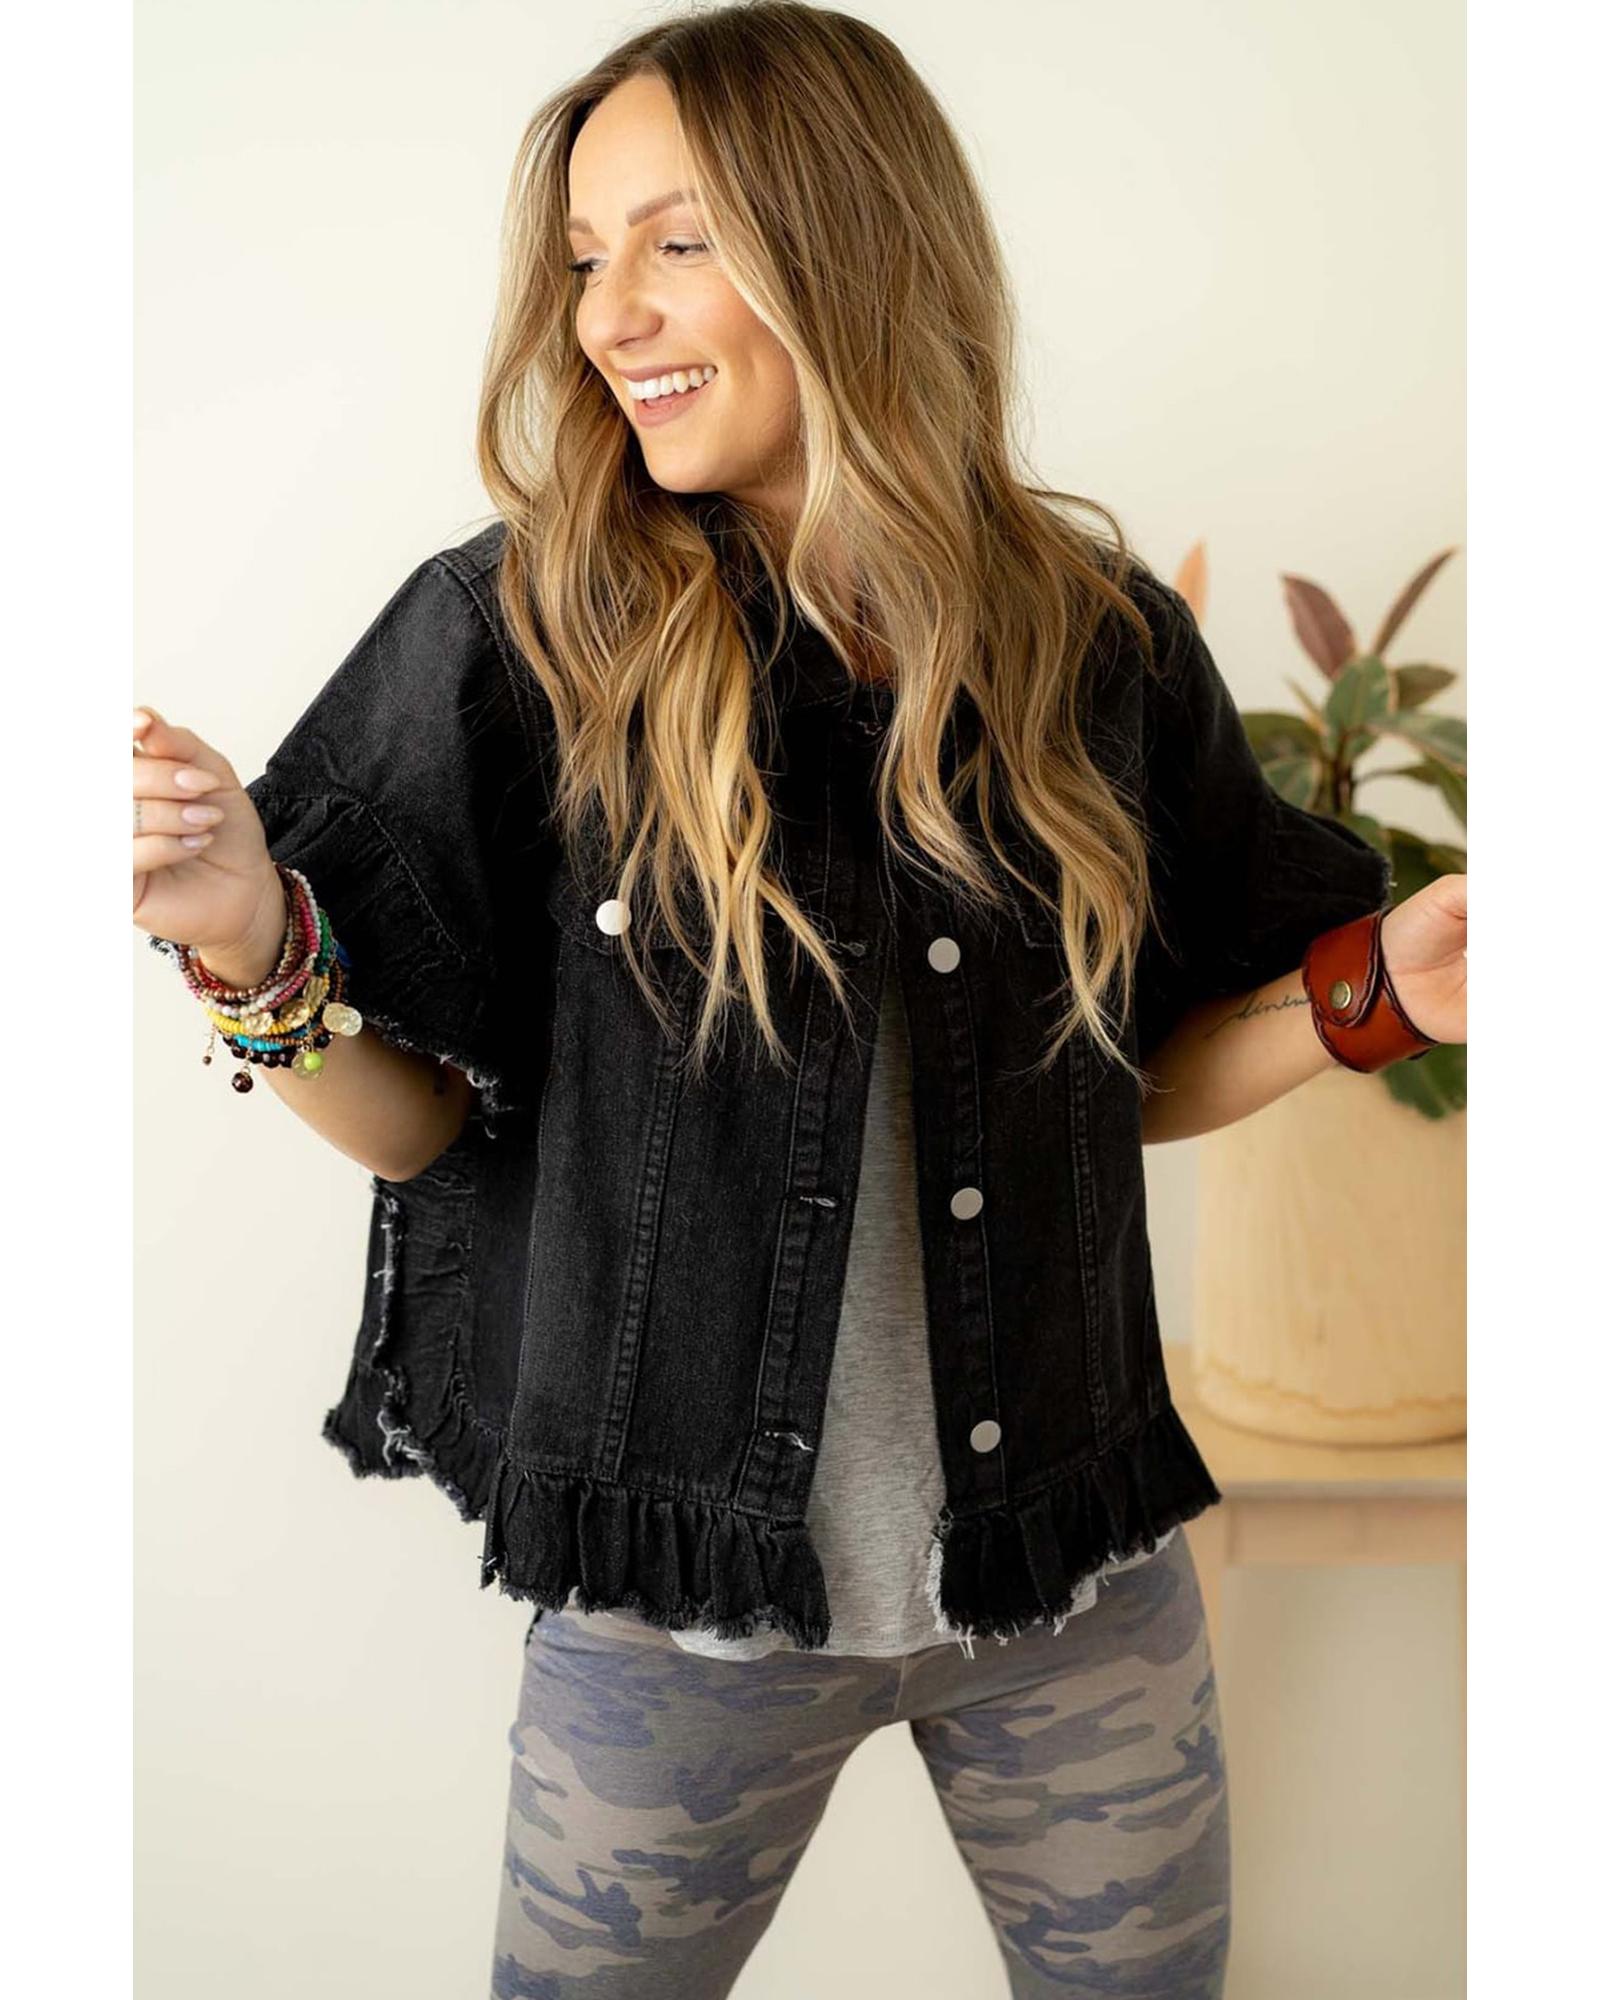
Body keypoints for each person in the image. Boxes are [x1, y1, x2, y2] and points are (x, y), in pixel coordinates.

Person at [132, 6, 1467, 1995]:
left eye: (676, 241)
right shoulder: (520, 638)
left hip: (1070, 1570)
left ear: (852, 238)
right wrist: (251, 946)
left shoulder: (1093, 645)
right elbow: (425, 1132)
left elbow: (1128, 1082)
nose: (608, 313)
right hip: (676, 1615)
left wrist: (1383, 995)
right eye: (585, 256)